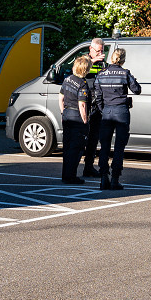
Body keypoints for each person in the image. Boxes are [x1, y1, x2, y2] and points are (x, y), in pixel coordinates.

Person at [95, 47, 141, 190]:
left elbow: (97, 97)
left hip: (107, 111)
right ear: (123, 59)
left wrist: (104, 110)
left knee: (104, 146)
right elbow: (137, 90)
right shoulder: (125, 73)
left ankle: (103, 178)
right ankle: (115, 179)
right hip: (121, 111)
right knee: (119, 147)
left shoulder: (101, 74)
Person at [59, 55, 91, 184]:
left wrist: (63, 112)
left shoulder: (67, 79)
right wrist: (85, 120)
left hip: (67, 115)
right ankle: (71, 176)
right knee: (76, 149)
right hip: (77, 117)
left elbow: (60, 98)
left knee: (67, 148)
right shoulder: (83, 84)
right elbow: (82, 104)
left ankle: (65, 174)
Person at [80, 38, 106, 177]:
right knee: (81, 137)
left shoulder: (103, 64)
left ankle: (88, 167)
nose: (100, 53)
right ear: (91, 49)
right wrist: (93, 61)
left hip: (98, 104)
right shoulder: (83, 60)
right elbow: (78, 73)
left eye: (102, 51)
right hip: (85, 102)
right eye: (98, 51)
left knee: (94, 138)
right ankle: (71, 169)